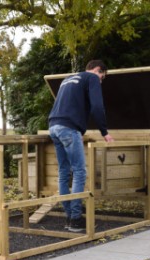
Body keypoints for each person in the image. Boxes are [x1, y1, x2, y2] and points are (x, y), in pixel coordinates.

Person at [48, 59, 114, 232]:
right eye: (102, 77)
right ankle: (76, 219)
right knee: (79, 171)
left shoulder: (67, 79)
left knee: (64, 172)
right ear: (97, 70)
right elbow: (97, 106)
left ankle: (69, 217)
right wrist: (104, 132)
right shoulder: (91, 78)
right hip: (69, 128)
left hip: (53, 126)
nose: (100, 81)